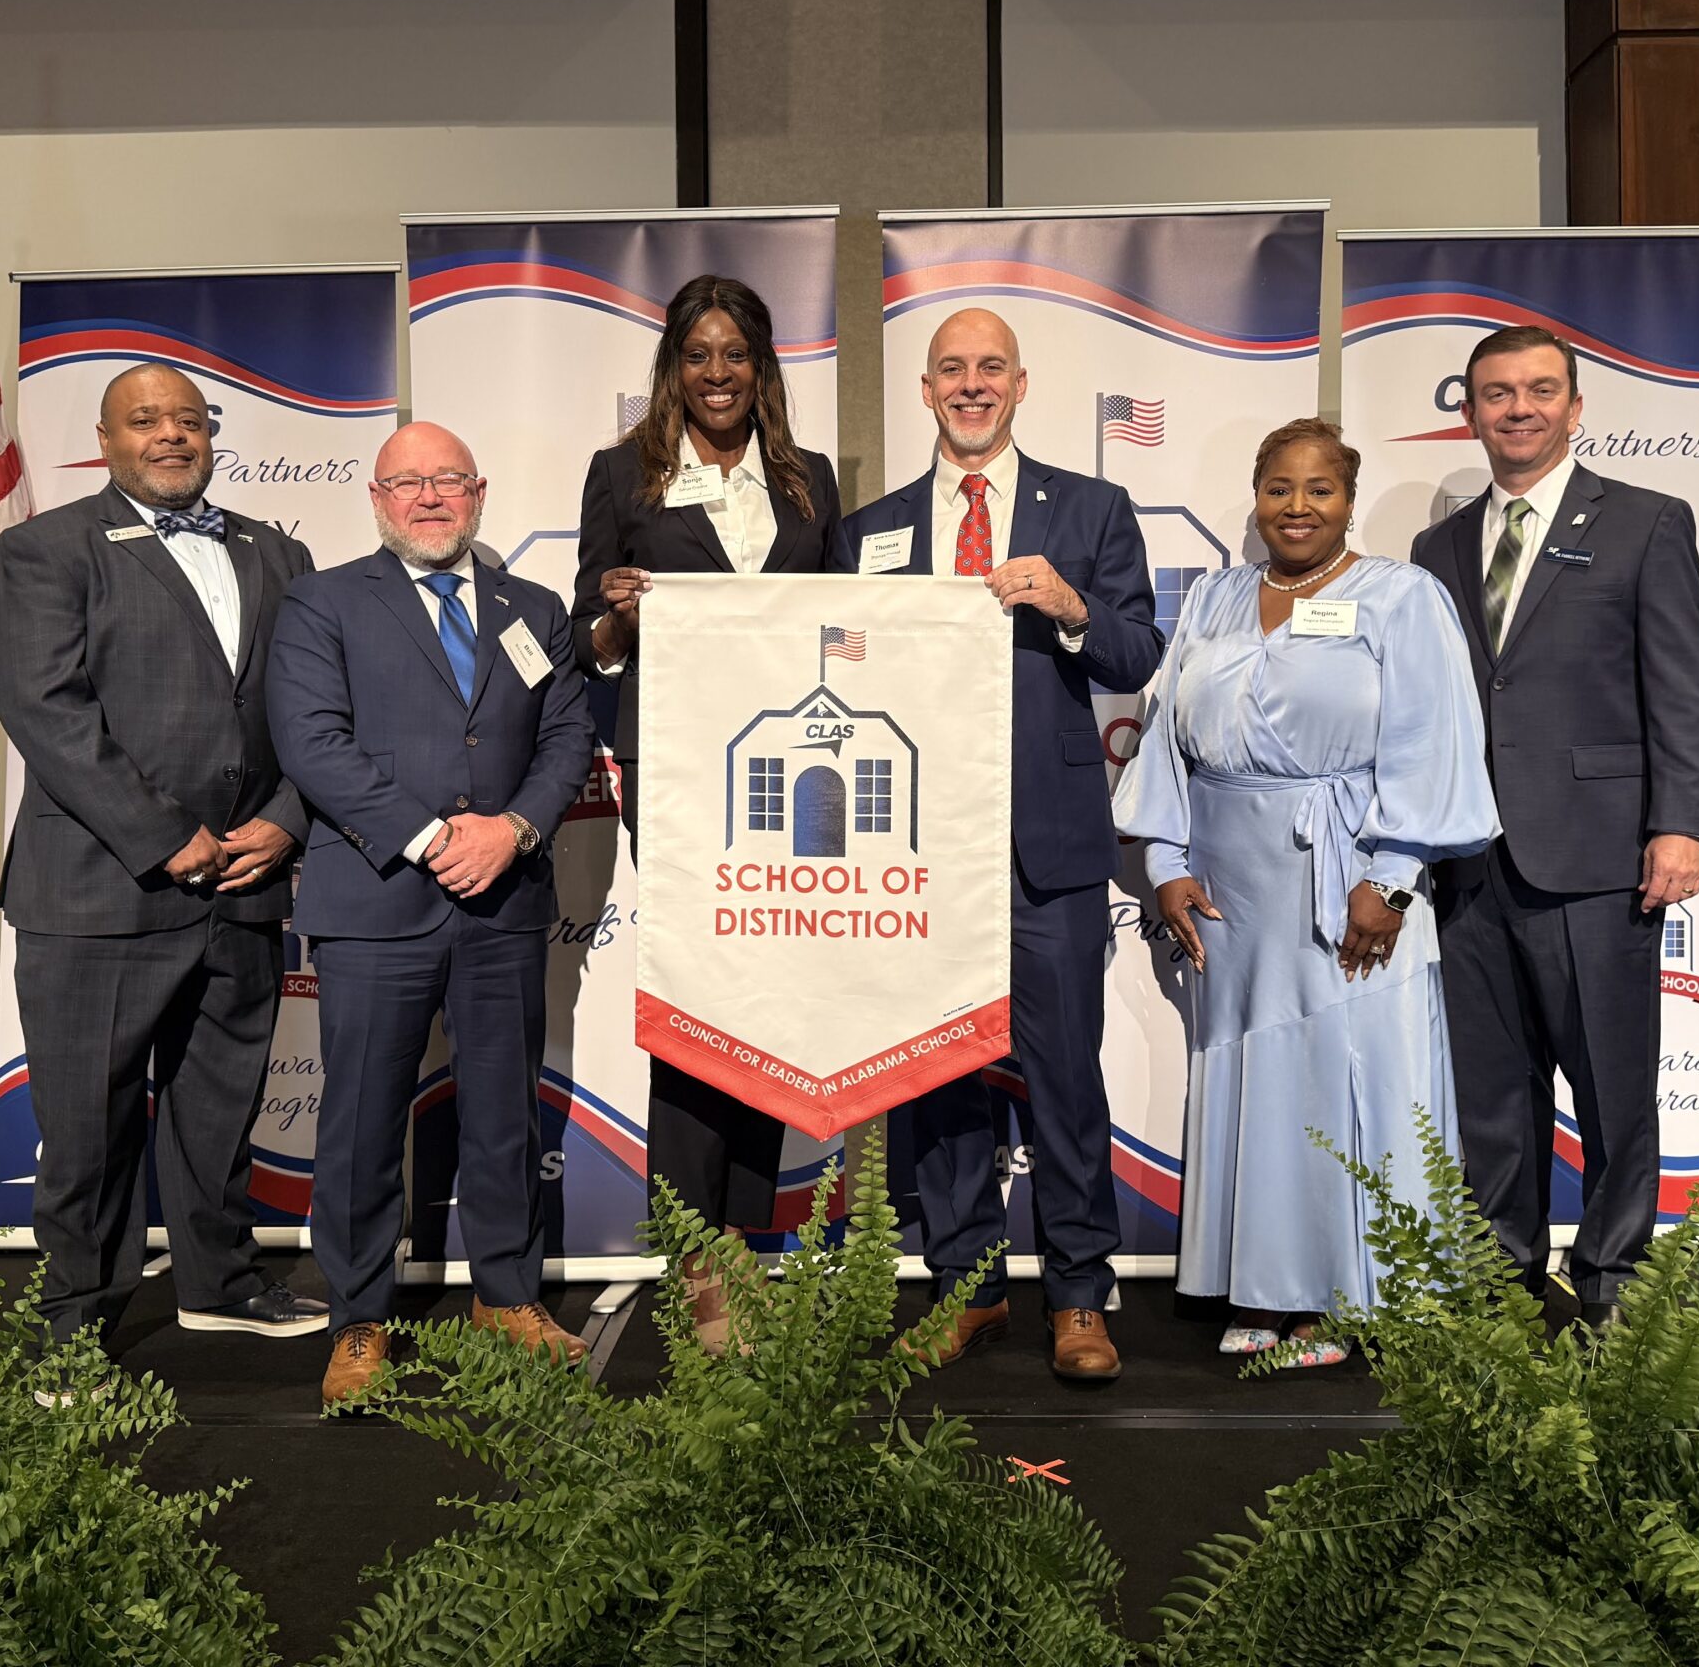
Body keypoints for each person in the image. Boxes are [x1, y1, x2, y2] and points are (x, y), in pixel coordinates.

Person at [1114, 420, 1498, 1359]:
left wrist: (1393, 879)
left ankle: (1340, 1292)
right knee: (1260, 1079)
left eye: (1319, 489)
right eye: (1279, 488)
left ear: (1348, 500)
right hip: (1232, 893)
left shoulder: (1401, 599)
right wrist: (1166, 863)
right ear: (1256, 496)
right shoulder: (1212, 597)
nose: (1297, 507)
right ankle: (1265, 1281)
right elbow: (1164, 736)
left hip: (1347, 882)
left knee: (1342, 1077)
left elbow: (1432, 741)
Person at [841, 307, 1163, 1382]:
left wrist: (1070, 606)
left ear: (1019, 386)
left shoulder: (1092, 507)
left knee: (1065, 1075)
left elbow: (1138, 649)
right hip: (918, 850)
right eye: (950, 371)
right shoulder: (869, 529)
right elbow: (837, 667)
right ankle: (966, 1289)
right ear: (925, 392)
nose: (970, 386)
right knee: (939, 1082)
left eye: (990, 369)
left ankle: (1078, 1295)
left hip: (1049, 851)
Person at [0, 361, 329, 1348]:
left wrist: (288, 819)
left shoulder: (278, 555)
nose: (170, 435)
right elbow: (45, 712)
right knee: (89, 1127)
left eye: (187, 420)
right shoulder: (45, 549)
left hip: (244, 886)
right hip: (101, 891)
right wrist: (162, 836)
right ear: (106, 439)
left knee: (218, 1109)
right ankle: (73, 1319)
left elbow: (311, 716)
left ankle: (217, 1283)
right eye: (146, 421)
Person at [266, 421, 596, 1404]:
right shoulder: (320, 602)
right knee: (362, 1120)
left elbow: (568, 738)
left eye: (448, 480)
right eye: (408, 483)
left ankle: (507, 1296)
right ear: (376, 499)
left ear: (479, 492)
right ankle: (359, 1319)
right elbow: (313, 744)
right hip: (375, 900)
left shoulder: (532, 608)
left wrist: (517, 831)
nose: (429, 497)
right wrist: (432, 837)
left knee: (502, 1112)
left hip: (503, 899)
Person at [1410, 326, 1699, 1325]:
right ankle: (1501, 1284)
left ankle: (1612, 1282)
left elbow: (1682, 688)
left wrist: (1681, 823)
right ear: (1469, 411)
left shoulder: (1643, 522)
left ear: (1576, 408)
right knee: (1492, 1101)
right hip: (1469, 862)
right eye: (1496, 393)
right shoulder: (1437, 548)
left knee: (1611, 1090)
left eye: (1541, 391)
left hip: (1598, 856)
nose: (1518, 409)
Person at [572, 274, 851, 1351]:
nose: (719, 374)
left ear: (763, 365)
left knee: (767, 1002)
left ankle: (749, 1239)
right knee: (697, 1006)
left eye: (736, 354)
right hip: (680, 769)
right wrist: (616, 617)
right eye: (699, 355)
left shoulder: (807, 480)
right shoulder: (623, 473)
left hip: (795, 777)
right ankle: (698, 1257)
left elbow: (835, 625)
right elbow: (583, 640)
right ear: (672, 368)